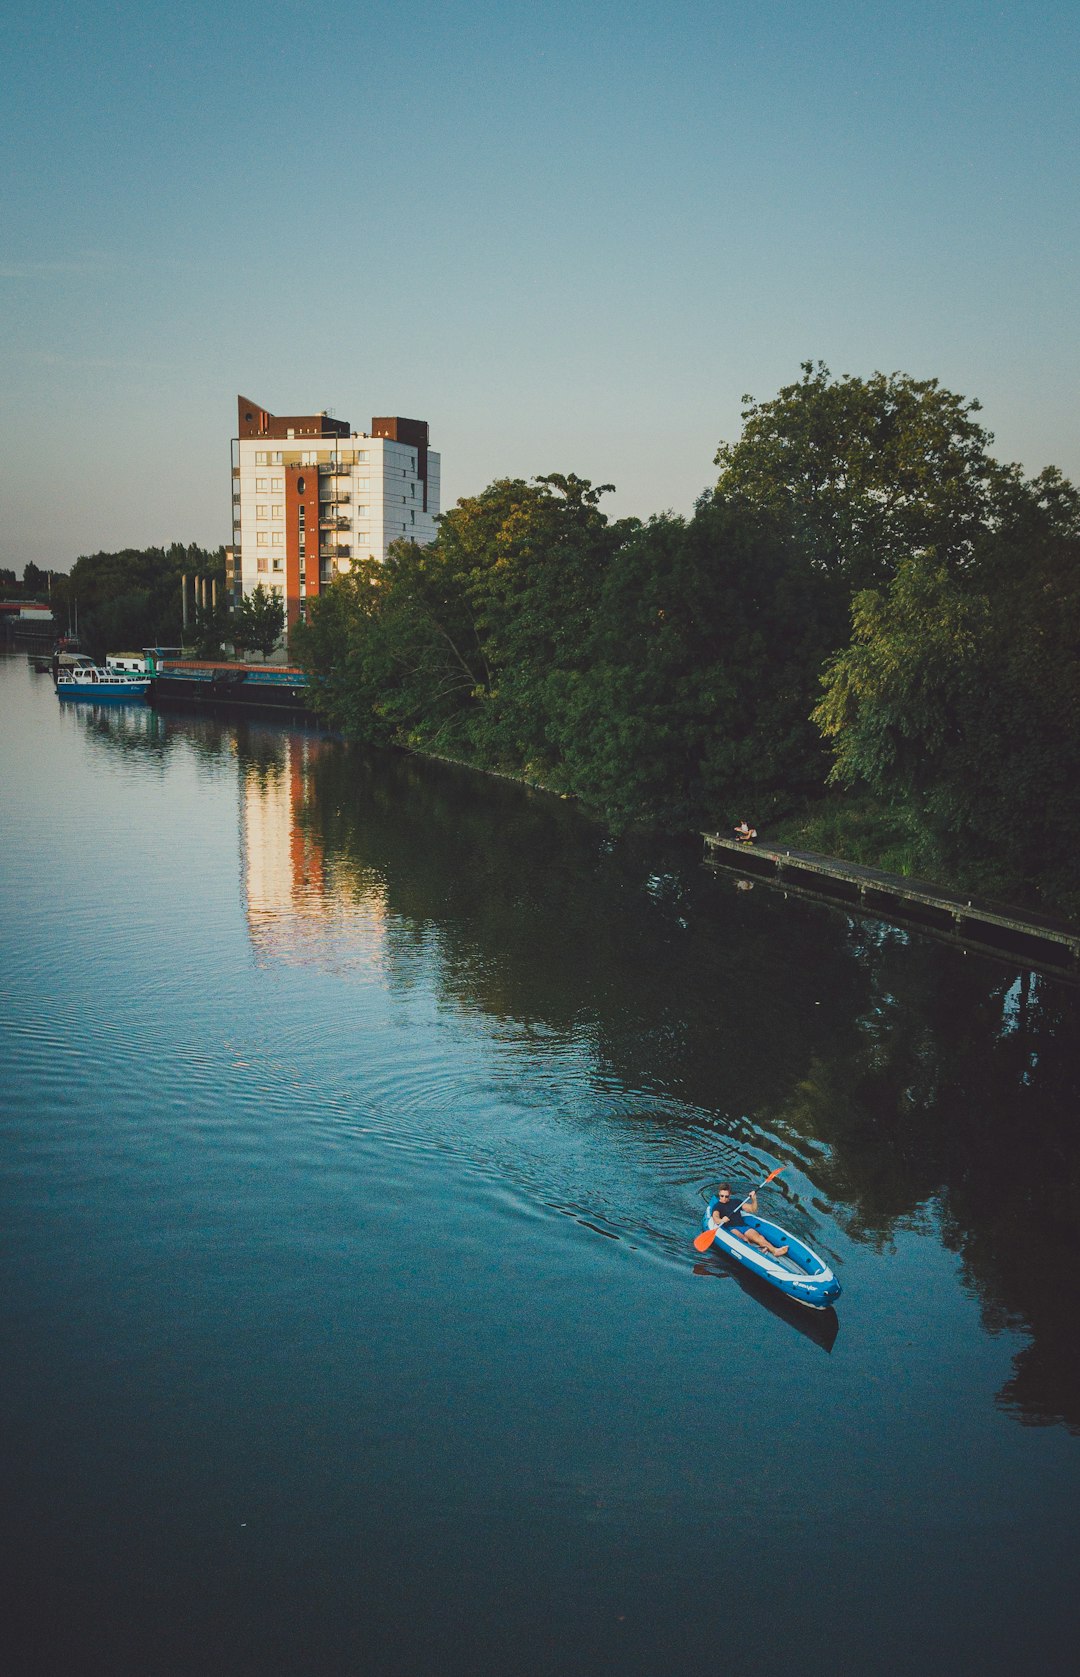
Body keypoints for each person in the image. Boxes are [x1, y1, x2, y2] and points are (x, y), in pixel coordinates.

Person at [707, 1182, 788, 1257]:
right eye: (722, 1196)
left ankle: (775, 1251)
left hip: (743, 1226)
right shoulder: (717, 1206)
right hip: (732, 1228)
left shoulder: (736, 1202)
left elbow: (752, 1209)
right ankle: (757, 1253)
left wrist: (754, 1199)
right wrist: (722, 1220)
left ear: (730, 1194)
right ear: (719, 1194)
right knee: (744, 1239)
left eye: (726, 1196)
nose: (724, 1198)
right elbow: (715, 1218)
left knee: (760, 1238)